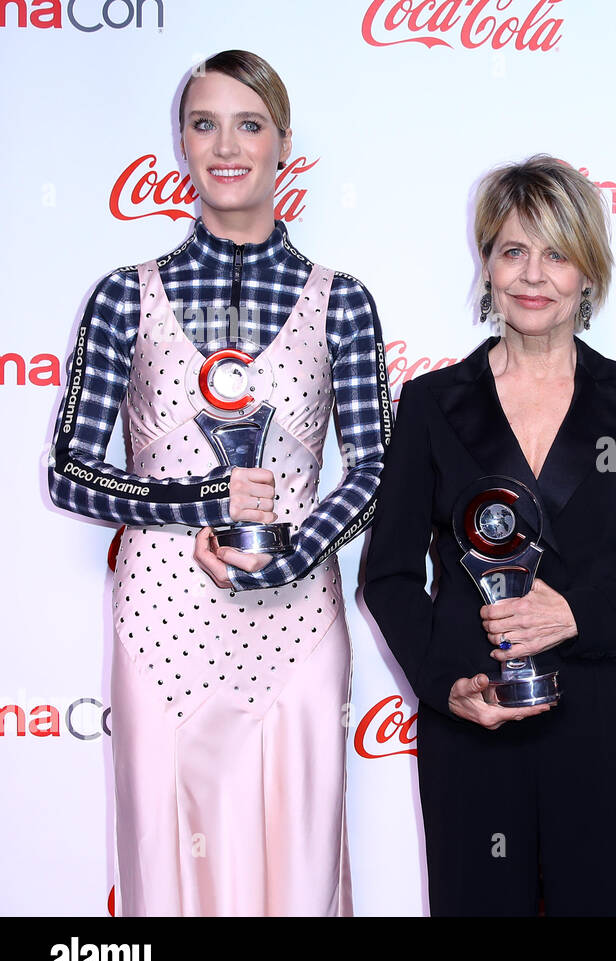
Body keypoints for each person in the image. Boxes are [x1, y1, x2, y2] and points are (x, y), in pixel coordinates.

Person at [47, 50, 390, 916]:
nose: (226, 145)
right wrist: (199, 501)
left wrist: (296, 551)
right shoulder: (125, 297)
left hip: (296, 615)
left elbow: (376, 467)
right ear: (181, 143)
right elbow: (72, 474)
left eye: (249, 124)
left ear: (283, 145)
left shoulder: (341, 300)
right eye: (204, 123)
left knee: (300, 858)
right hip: (163, 614)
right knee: (167, 863)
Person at [363, 155, 616, 916]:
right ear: (486, 265)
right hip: (476, 716)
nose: (532, 274)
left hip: (601, 714)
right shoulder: (432, 403)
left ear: (588, 272)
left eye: (556, 252)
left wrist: (576, 615)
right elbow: (390, 574)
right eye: (512, 250)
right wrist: (447, 685)